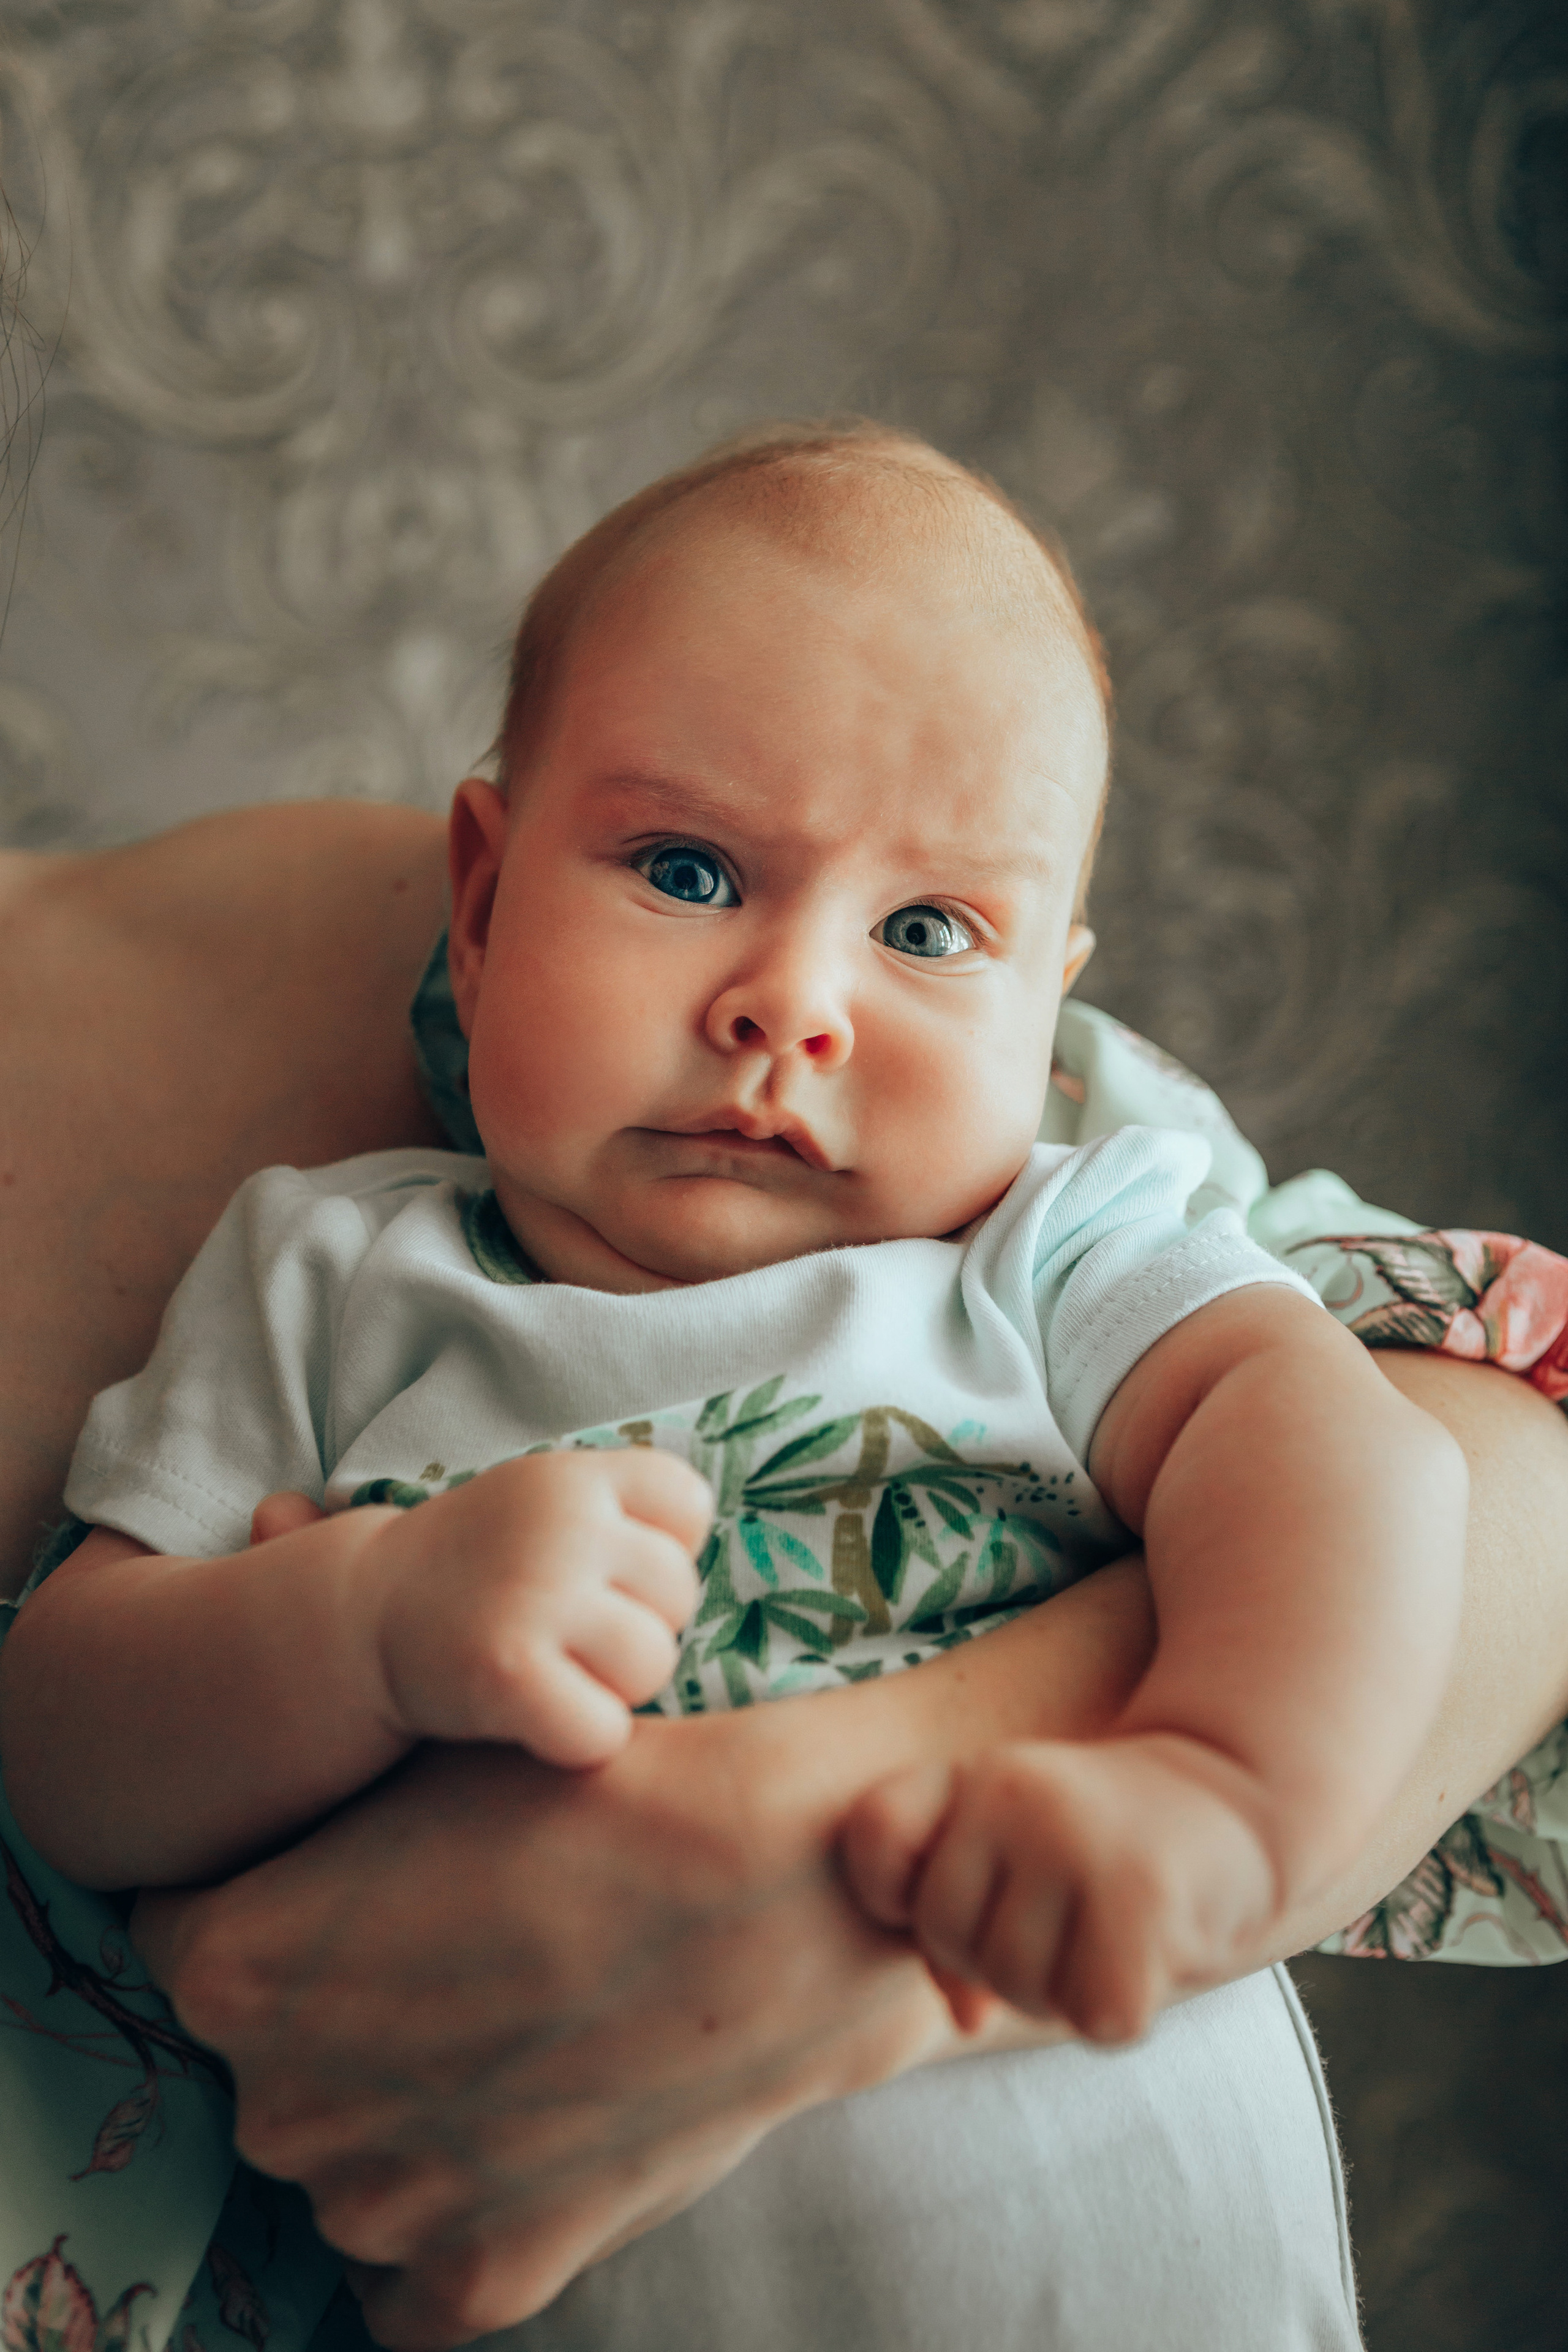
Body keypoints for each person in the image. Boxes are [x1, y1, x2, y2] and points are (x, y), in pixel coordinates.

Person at [1, 455, 1567, 2352]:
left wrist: (1220, 1791)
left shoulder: (1064, 1243)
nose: (791, 1004)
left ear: (1048, 1004)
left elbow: (1365, 1469)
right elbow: (71, 1742)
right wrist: (367, 1626)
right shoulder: (336, 1274)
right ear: (480, 905)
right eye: (686, 872)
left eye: (929, 934)